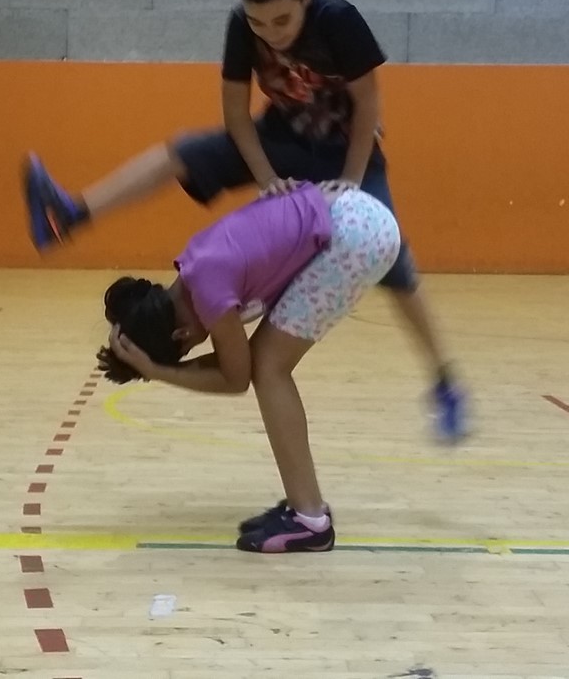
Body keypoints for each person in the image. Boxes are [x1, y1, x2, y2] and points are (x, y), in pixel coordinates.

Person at [27, 0, 470, 441]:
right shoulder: (242, 26)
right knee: (183, 151)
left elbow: (368, 103)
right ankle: (73, 211)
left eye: (282, 21)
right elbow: (236, 115)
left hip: (347, 151)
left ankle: (444, 380)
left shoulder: (339, 19)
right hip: (279, 141)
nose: (271, 33)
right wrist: (266, 178)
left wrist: (350, 180)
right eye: (259, 23)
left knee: (396, 265)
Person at [97, 179, 400, 553]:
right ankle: (304, 502)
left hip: (356, 237)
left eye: (187, 349)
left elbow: (235, 377)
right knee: (267, 362)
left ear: (180, 335)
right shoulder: (193, 265)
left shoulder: (208, 292)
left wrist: (158, 372)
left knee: (269, 368)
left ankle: (310, 521)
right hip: (356, 217)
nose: (198, 345)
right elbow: (236, 364)